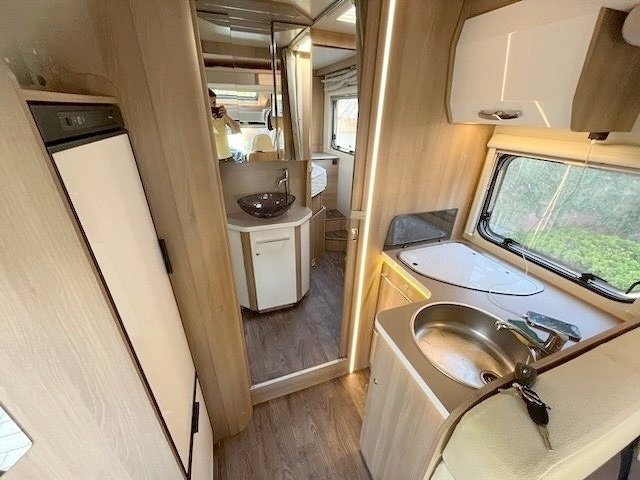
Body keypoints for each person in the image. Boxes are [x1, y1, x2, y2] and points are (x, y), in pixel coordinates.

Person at [208, 89, 241, 162]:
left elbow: (237, 130)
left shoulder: (221, 116)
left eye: (215, 102)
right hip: (211, 159)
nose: (215, 105)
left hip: (227, 157)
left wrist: (226, 116)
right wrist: (210, 120)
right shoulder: (200, 120)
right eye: (213, 102)